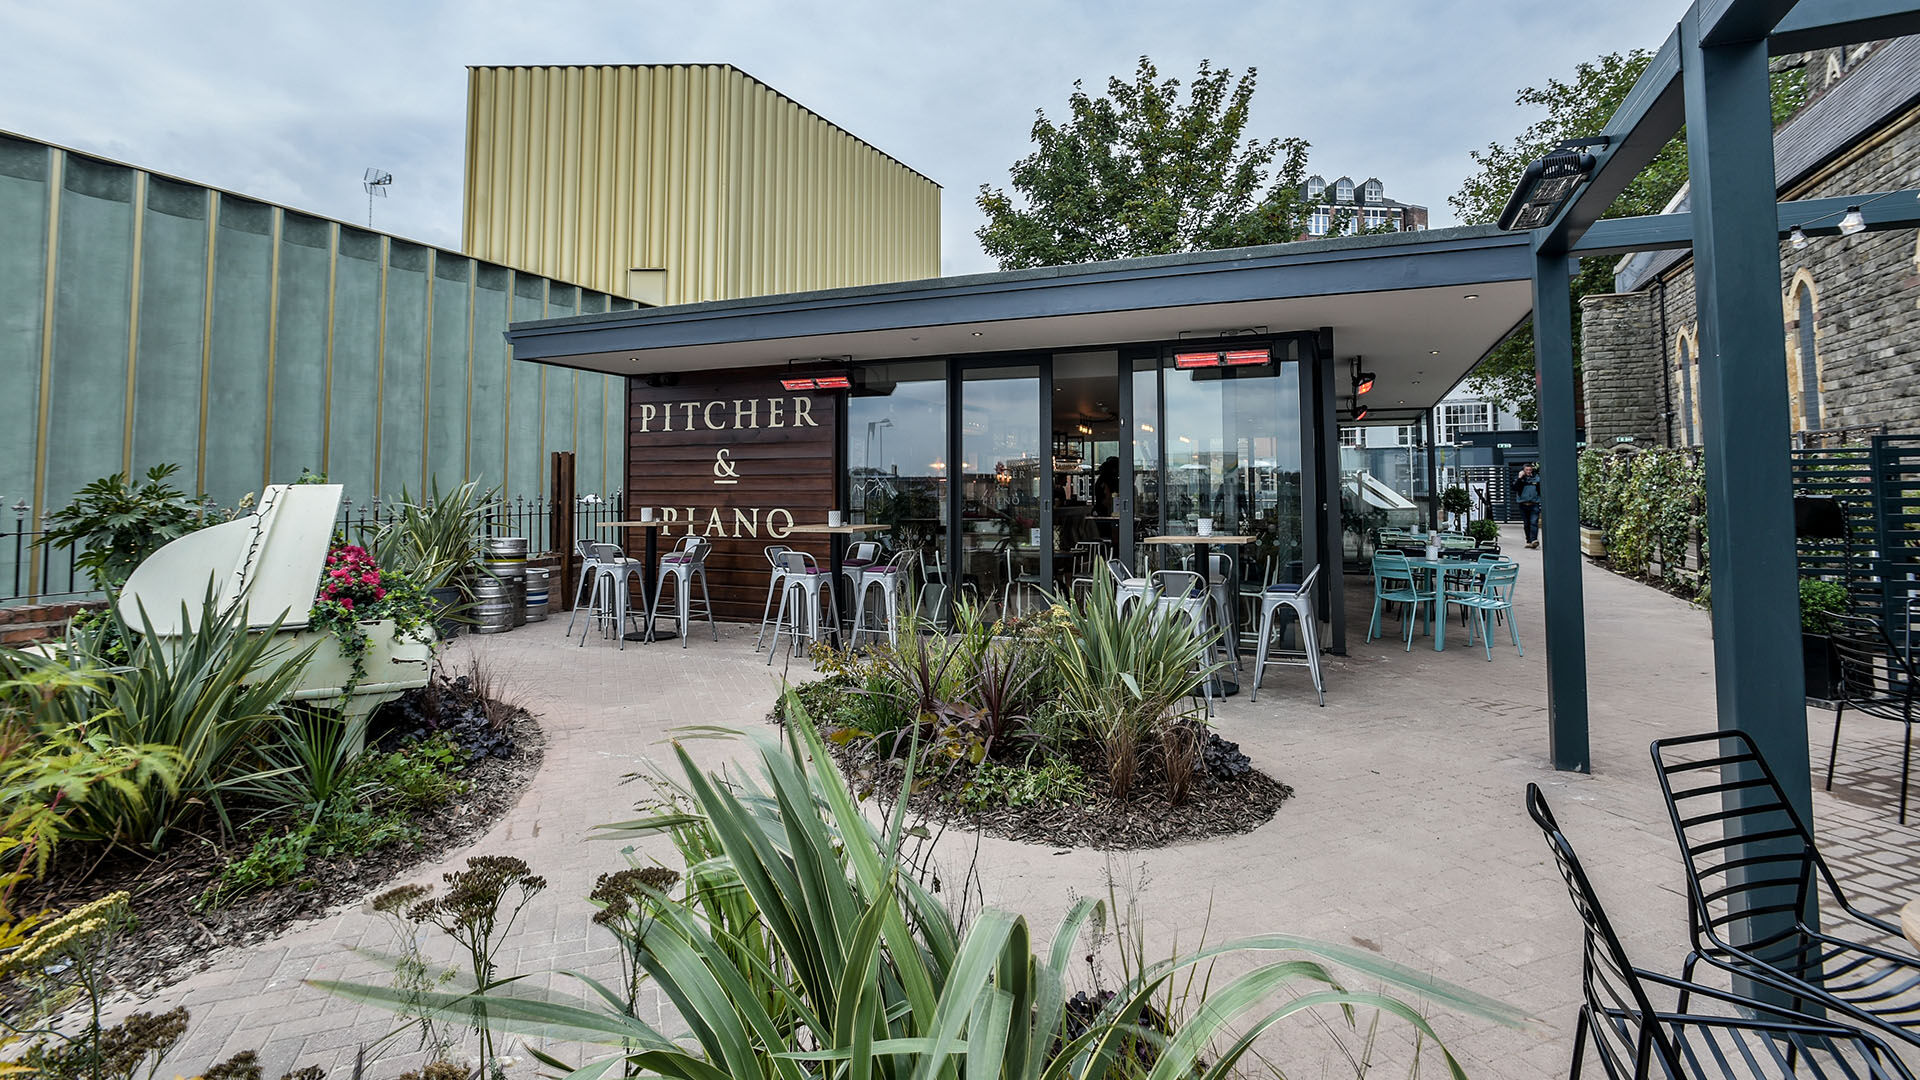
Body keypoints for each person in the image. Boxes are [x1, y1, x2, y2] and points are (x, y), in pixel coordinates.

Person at [1511, 463, 1542, 548]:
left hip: (1534, 504)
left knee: (1533, 522)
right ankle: (1529, 540)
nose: (1528, 472)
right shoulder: (1520, 479)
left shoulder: (1537, 478)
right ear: (1523, 471)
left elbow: (1540, 489)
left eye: (1530, 470)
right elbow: (1514, 488)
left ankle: (1534, 540)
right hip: (1523, 504)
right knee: (1526, 523)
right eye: (1527, 470)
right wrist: (1519, 478)